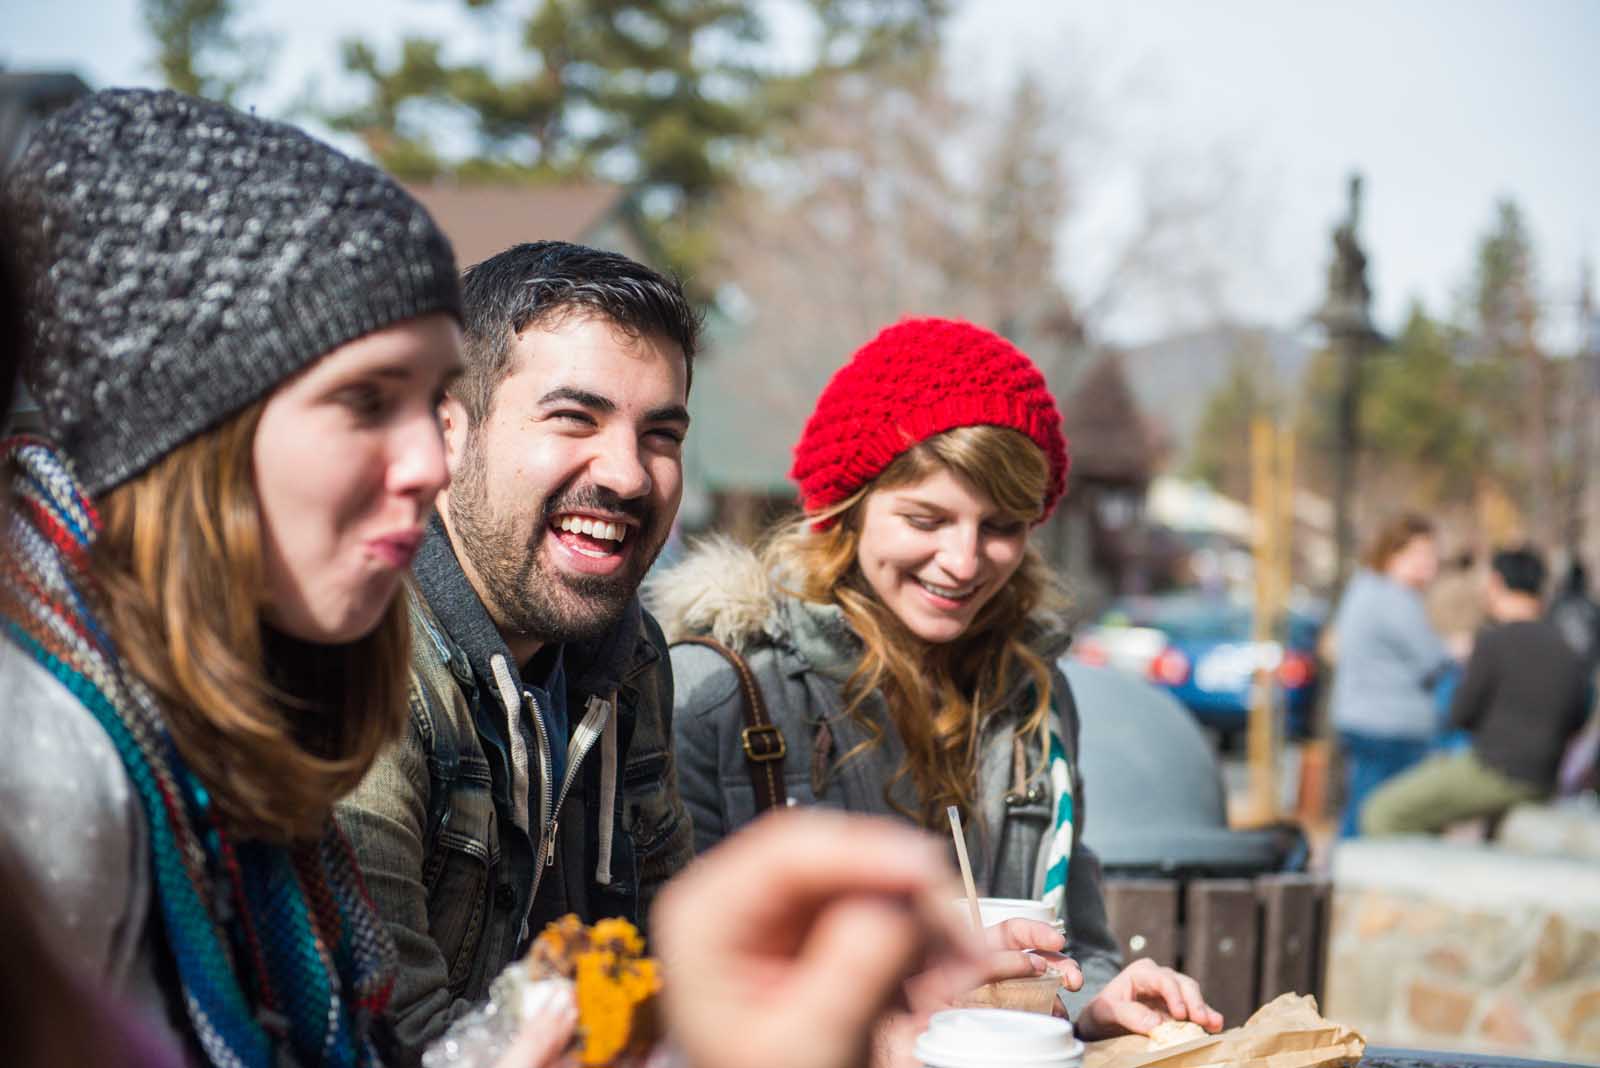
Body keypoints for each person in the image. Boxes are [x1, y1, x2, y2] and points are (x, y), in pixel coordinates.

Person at [0, 87, 467, 1068]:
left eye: (436, 397)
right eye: (366, 398)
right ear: (186, 437)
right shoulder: (39, 769)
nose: (434, 459)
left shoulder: (223, 730)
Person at [653, 318, 1222, 1042]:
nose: (963, 560)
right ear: (849, 509)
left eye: (1001, 526)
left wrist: (1097, 1001)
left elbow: (1073, 946)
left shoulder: (1036, 701)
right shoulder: (720, 693)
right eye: (927, 518)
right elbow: (669, 985)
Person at [336, 241, 699, 1060]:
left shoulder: (629, 657)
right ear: (449, 433)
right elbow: (391, 1040)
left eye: (662, 433)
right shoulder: (361, 663)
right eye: (576, 417)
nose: (630, 476)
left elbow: (678, 967)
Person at [1362, 547, 1591, 835]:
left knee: (1381, 812)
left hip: (1494, 769)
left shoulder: (1494, 642)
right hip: (1545, 779)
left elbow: (1460, 713)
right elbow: (1579, 718)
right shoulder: (1568, 650)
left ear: (1496, 583)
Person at [1328, 514, 1454, 837]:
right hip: (1390, 724)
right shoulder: (1394, 597)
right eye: (1422, 554)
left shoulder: (1364, 587)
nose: (1431, 564)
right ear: (1394, 553)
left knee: (1361, 809)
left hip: (1362, 715)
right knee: (1374, 817)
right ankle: (1349, 879)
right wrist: (1458, 649)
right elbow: (1432, 659)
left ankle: (1343, 874)